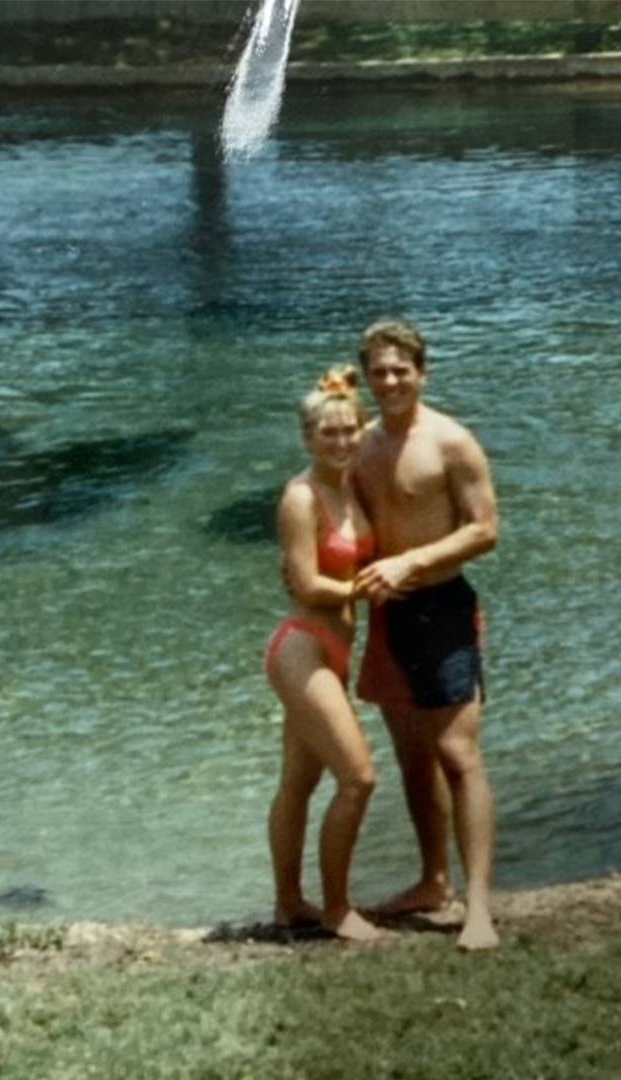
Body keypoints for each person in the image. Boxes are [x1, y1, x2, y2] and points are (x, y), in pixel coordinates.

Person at [352, 319, 500, 951]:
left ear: (422, 371)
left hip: (441, 607)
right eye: (378, 371)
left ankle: (480, 908)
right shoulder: (360, 443)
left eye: (400, 369)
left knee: (458, 758)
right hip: (389, 615)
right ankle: (432, 882)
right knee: (414, 762)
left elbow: (485, 528)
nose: (389, 381)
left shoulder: (451, 442)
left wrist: (412, 563)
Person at [265, 366, 383, 943]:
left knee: (298, 783)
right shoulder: (300, 496)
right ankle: (337, 909)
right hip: (302, 650)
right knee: (358, 778)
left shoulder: (349, 485)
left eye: (349, 431)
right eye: (327, 434)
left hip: (337, 651)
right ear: (307, 439)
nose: (340, 442)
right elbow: (308, 584)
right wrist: (375, 587)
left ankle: (289, 904)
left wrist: (349, 389)